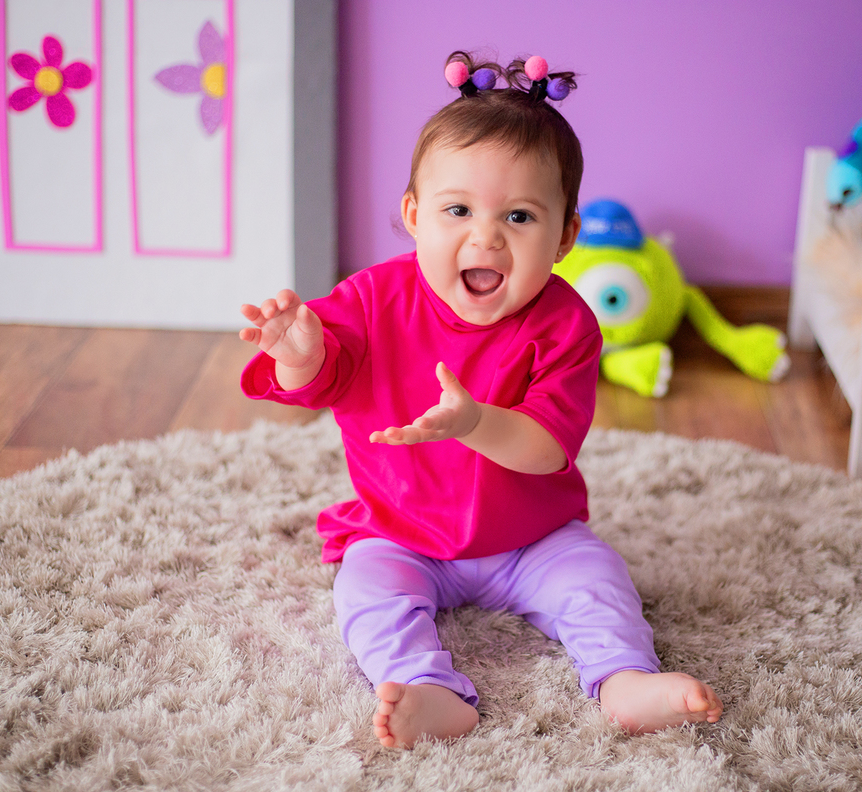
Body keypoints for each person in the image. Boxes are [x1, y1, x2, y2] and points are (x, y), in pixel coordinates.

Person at [239, 51, 722, 748]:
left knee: (596, 579)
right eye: (458, 209)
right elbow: (319, 382)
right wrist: (299, 355)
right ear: (414, 215)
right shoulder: (371, 299)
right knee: (365, 592)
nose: (486, 235)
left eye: (519, 216)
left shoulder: (566, 325)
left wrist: (473, 422)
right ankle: (429, 690)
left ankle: (624, 679)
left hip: (533, 538)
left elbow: (547, 447)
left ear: (565, 237)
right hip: (400, 529)